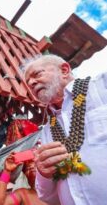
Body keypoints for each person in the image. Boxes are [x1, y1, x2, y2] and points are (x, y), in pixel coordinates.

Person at [22, 54, 107, 205]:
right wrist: (44, 174)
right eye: (28, 83)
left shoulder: (101, 86)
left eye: (37, 74)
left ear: (65, 70)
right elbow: (48, 197)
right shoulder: (48, 130)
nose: (32, 83)